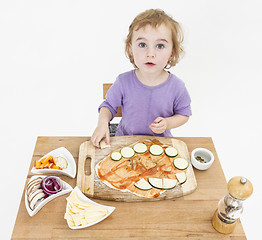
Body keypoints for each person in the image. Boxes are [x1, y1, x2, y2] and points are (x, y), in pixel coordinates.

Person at [91, 9, 192, 147]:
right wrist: (102, 123)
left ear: (171, 53)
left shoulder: (177, 87)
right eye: (143, 45)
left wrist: (168, 123)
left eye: (160, 46)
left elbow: (184, 115)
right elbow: (108, 106)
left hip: (160, 145)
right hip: (124, 143)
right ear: (131, 49)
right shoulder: (123, 82)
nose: (150, 53)